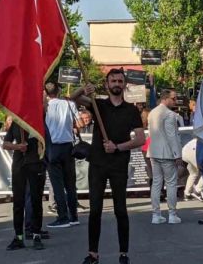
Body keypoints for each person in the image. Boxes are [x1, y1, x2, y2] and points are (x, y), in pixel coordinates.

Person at [76, 69, 145, 264]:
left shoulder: (131, 110)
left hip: (118, 165)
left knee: (120, 210)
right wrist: (84, 88)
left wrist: (118, 147)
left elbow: (140, 138)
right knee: (95, 210)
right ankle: (93, 254)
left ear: (124, 85)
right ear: (107, 85)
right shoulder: (98, 105)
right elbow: (72, 100)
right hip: (97, 164)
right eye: (113, 80)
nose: (116, 83)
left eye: (119, 80)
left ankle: (123, 253)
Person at [2, 120, 46, 251]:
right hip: (19, 165)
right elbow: (5, 144)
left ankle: (36, 235)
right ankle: (18, 237)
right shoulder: (16, 123)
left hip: (35, 163)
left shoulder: (38, 120)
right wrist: (18, 147)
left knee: (36, 200)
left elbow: (46, 142)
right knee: (18, 202)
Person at [45, 82, 82, 228]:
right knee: (70, 184)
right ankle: (74, 216)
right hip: (68, 146)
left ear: (46, 93)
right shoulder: (68, 103)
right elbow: (80, 124)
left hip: (52, 146)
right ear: (59, 90)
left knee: (57, 185)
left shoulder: (45, 106)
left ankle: (63, 216)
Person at [148, 89, 183, 224]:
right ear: (165, 98)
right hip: (167, 153)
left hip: (153, 152)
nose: (175, 101)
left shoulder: (152, 112)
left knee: (157, 183)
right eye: (173, 98)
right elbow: (171, 136)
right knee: (171, 183)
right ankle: (172, 214)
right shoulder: (169, 114)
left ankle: (155, 215)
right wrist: (177, 154)